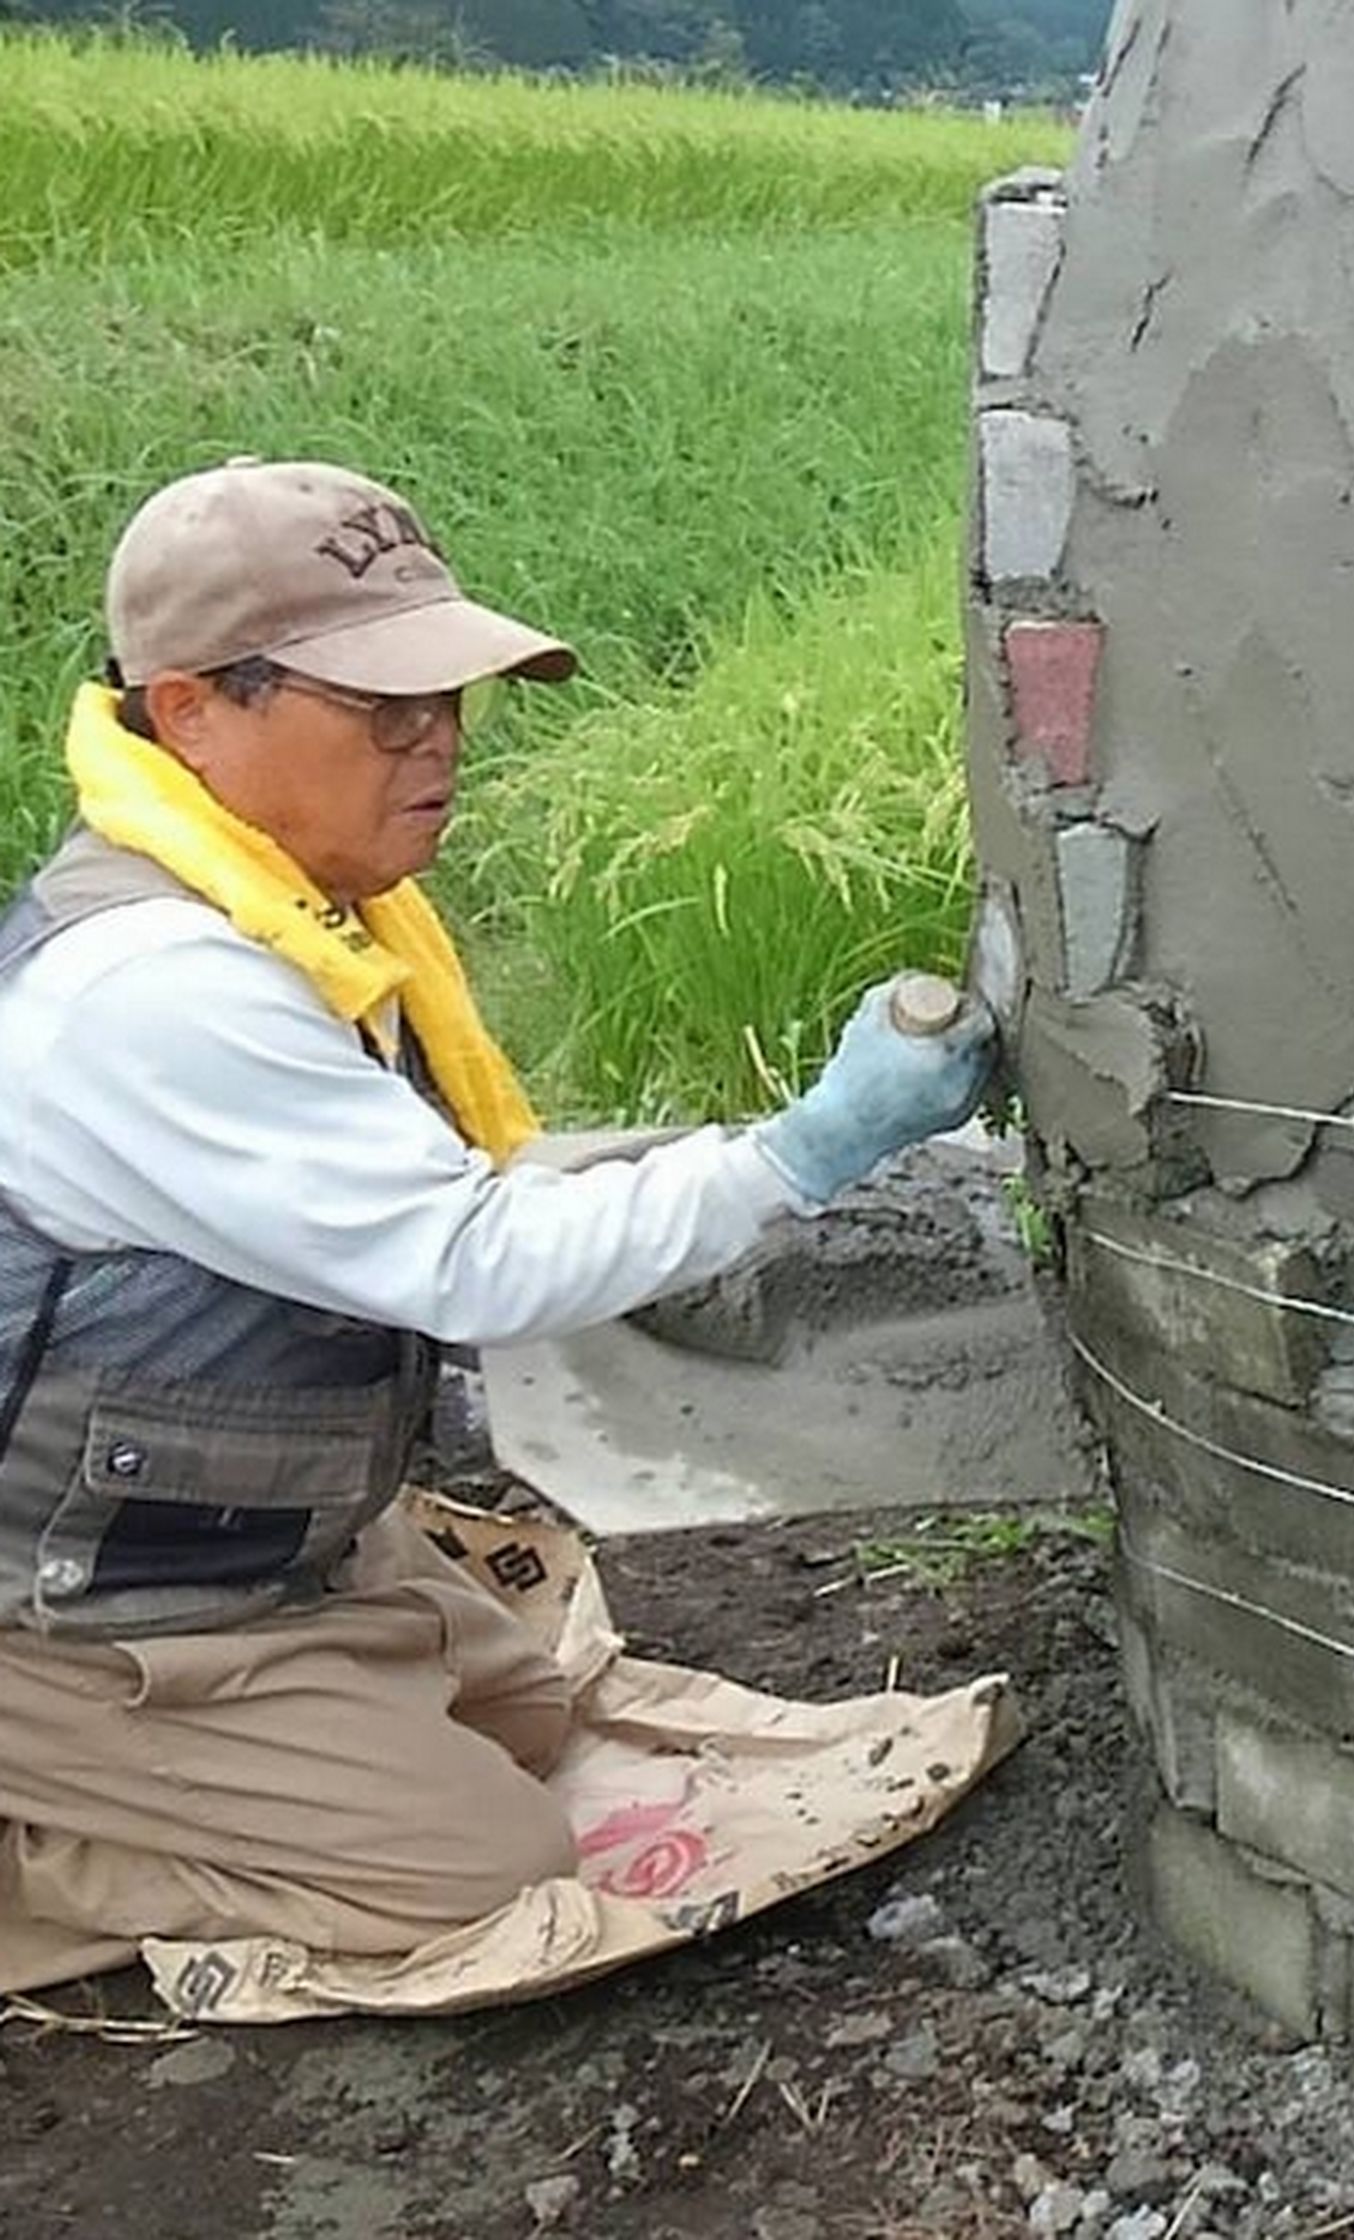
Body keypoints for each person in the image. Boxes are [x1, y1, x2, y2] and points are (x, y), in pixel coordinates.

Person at [0, 458, 994, 1991]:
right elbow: (478, 1266)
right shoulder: (162, 993)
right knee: (481, 1864)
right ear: (194, 712)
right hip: (86, 1597)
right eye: (385, 711)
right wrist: (810, 1146)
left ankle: (281, 1705)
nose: (439, 745)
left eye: (451, 702)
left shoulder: (304, 913)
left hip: (253, 1540)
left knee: (534, 1719)